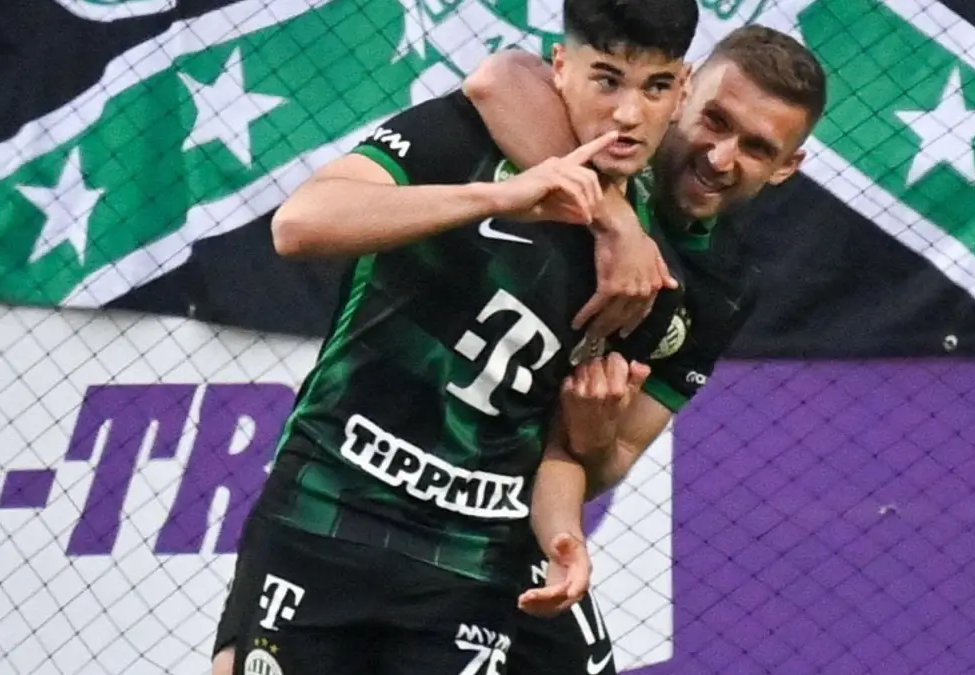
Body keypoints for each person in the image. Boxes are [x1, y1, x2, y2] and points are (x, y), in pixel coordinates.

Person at [209, 0, 701, 674]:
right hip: (323, 512)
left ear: (683, 90)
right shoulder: (469, 135)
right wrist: (498, 198)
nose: (628, 114)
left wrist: (563, 534)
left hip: (467, 562)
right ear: (560, 67)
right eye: (606, 80)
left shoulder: (645, 270)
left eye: (656, 87)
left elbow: (557, 444)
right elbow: (299, 224)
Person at [460, 23, 828, 675]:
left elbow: (613, 458)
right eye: (715, 120)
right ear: (682, 93)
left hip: (516, 507)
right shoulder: (606, 139)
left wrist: (592, 432)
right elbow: (498, 78)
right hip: (390, 452)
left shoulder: (725, 288)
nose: (720, 158)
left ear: (786, 167)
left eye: (756, 147)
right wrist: (618, 225)